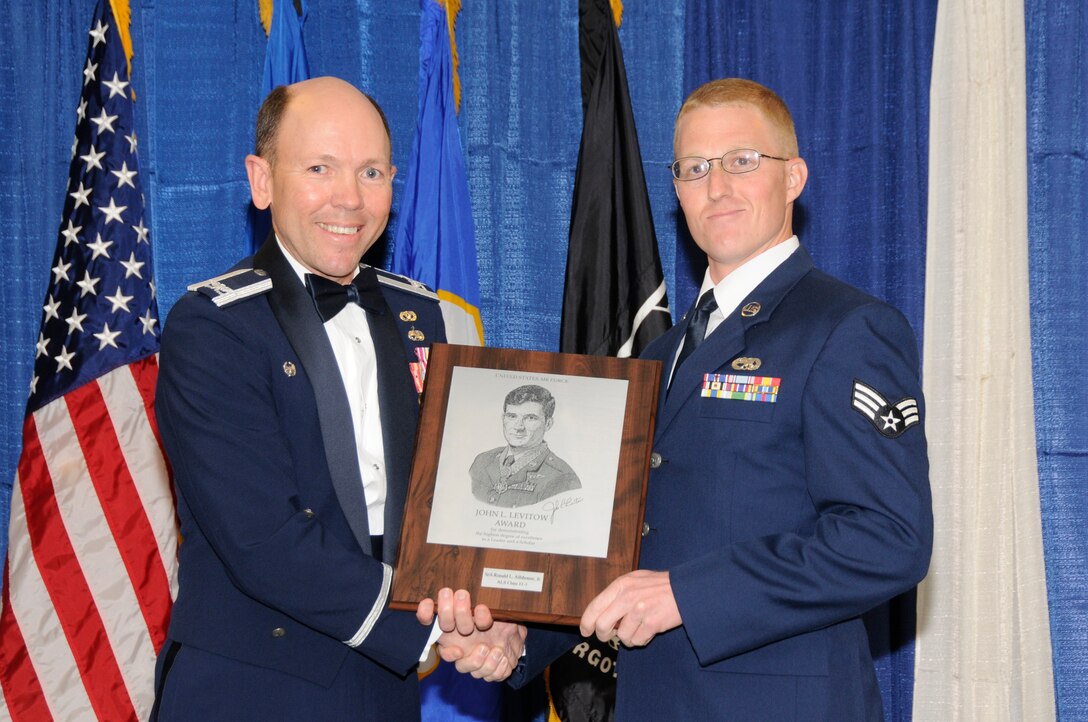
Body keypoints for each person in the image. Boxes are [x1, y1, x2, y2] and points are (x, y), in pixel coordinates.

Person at [425, 78, 933, 720]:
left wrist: (686, 595)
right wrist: (519, 634)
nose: (716, 186)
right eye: (694, 168)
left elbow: (888, 538)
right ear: (677, 191)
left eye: (742, 161)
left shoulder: (845, 328)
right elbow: (614, 545)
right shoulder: (656, 359)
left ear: (793, 177)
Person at [151, 77, 522, 721]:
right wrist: (437, 627)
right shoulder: (213, 326)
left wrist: (505, 610)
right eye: (319, 168)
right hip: (254, 689)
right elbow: (263, 540)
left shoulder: (422, 318)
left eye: (371, 172)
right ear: (262, 181)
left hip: (387, 685)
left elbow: (467, 503)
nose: (349, 198)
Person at [469, 384, 582, 507]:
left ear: (548, 424)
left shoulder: (562, 477)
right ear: (503, 419)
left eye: (530, 418)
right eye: (512, 416)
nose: (518, 427)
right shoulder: (482, 461)